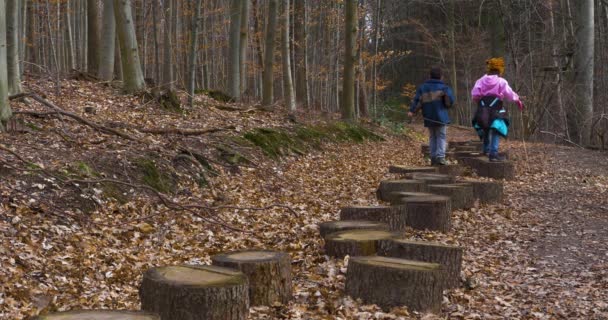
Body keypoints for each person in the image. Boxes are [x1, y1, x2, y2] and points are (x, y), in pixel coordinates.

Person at [471, 58, 523, 161]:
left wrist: (480, 101)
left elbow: (475, 95)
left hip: (483, 108)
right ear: (500, 70)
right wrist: (517, 99)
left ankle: (486, 149)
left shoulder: (480, 80)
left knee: (486, 127)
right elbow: (509, 94)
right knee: (496, 129)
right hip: (496, 108)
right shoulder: (501, 81)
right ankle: (493, 154)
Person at [408, 67, 455, 166]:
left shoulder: (423, 87)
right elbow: (451, 101)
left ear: (429, 76)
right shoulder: (445, 88)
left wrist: (412, 111)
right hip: (441, 117)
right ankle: (440, 157)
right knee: (441, 136)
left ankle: (433, 157)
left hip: (428, 116)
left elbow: (416, 100)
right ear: (441, 77)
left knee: (432, 136)